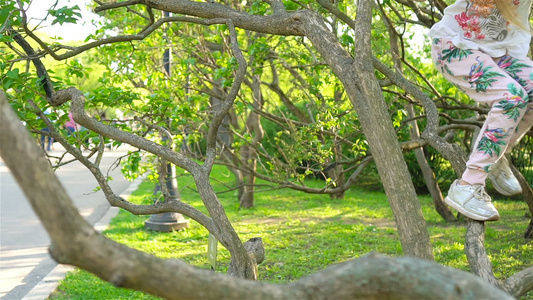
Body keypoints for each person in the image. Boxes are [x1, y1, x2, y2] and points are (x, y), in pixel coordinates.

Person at [428, 0, 533, 221]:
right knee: (512, 98)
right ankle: (467, 186)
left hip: (500, 54)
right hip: (456, 47)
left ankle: (493, 159)